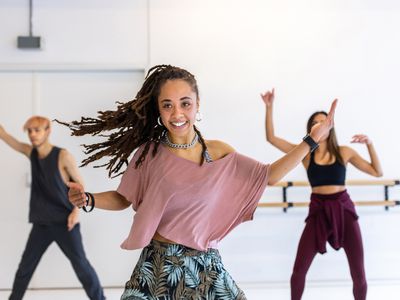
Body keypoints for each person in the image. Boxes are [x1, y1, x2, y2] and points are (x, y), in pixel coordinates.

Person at [64, 65, 336, 299]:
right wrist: (89, 199)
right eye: (167, 105)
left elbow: (269, 175)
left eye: (185, 103)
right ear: (158, 110)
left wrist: (312, 140)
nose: (177, 113)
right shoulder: (149, 154)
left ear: (197, 105)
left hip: (206, 265)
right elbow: (124, 198)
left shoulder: (219, 153)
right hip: (159, 265)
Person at [261, 89, 382, 300]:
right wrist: (269, 107)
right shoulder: (305, 154)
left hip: (344, 210)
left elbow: (376, 172)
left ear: (331, 126)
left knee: (359, 273)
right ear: (311, 129)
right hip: (318, 210)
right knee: (298, 271)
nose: (321, 124)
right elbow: (271, 138)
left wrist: (370, 144)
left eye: (325, 121)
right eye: (316, 122)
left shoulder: (344, 152)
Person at [0, 117, 105, 300]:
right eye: (30, 130)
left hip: (65, 223)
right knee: (25, 268)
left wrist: (76, 211)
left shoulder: (62, 156)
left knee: (81, 266)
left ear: (48, 131)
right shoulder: (30, 152)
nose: (32, 134)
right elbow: (9, 139)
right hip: (41, 224)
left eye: (37, 130)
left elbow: (80, 185)